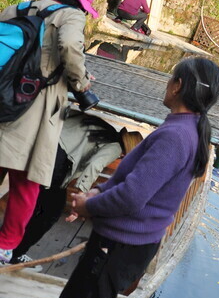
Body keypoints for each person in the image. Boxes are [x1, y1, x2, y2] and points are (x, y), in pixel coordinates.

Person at [42, 57, 219, 298]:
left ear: (178, 85)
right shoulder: (187, 130)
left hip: (118, 246)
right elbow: (133, 186)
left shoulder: (174, 136)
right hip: (130, 243)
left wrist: (88, 206)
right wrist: (95, 198)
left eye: (171, 77)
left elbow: (131, 196)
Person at [0, 0, 98, 264]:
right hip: (34, 110)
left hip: (2, 100)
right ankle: (5, 246)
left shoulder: (19, 8)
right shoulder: (70, 17)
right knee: (27, 182)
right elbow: (69, 46)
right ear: (79, 1)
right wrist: (81, 82)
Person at [10, 113, 143, 264]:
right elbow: (94, 165)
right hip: (55, 160)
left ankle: (11, 246)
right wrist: (81, 197)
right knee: (51, 212)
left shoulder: (104, 128)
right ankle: (15, 252)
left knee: (30, 201)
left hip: (41, 141)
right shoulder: (116, 146)